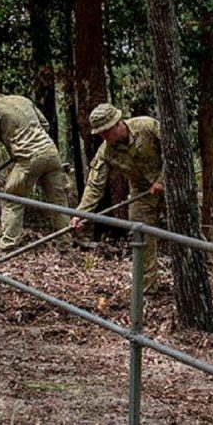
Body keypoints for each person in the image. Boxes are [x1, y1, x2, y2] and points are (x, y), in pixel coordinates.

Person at [69, 103, 165, 293]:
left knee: (188, 231)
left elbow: (175, 151)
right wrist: (81, 214)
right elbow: (95, 186)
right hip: (142, 191)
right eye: (100, 134)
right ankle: (147, 288)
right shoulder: (106, 152)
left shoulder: (147, 126)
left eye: (106, 131)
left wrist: (163, 179)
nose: (104, 137)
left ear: (118, 123)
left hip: (172, 183)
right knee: (140, 232)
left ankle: (207, 271)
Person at [0, 76, 70, 251]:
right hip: (51, 153)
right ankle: (65, 244)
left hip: (28, 159)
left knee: (12, 198)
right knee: (59, 203)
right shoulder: (22, 100)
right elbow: (45, 125)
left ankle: (9, 244)